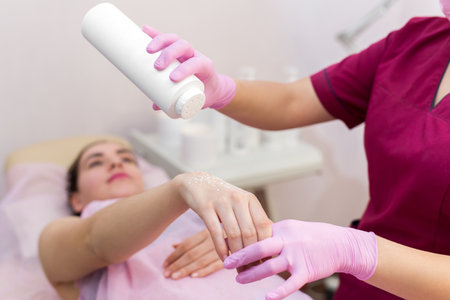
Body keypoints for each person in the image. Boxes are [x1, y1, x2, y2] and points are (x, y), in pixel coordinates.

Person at [141, 0, 450, 299]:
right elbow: (292, 101)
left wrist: (356, 250)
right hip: (364, 285)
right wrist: (221, 90)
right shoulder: (415, 42)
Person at [38, 140, 310, 300]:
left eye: (126, 158)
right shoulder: (61, 234)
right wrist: (179, 188)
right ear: (76, 200)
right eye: (96, 162)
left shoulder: (195, 214)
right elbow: (95, 242)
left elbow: (287, 273)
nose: (117, 164)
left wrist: (244, 242)